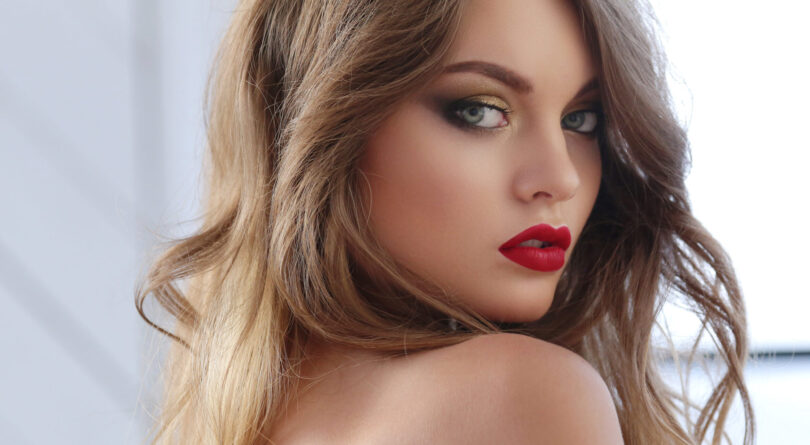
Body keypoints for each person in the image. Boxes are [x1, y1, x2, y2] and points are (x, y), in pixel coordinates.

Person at [137, 0, 755, 443]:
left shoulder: (238, 418)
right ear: (327, 127)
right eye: (481, 111)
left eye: (581, 120)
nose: (561, 177)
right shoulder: (522, 394)